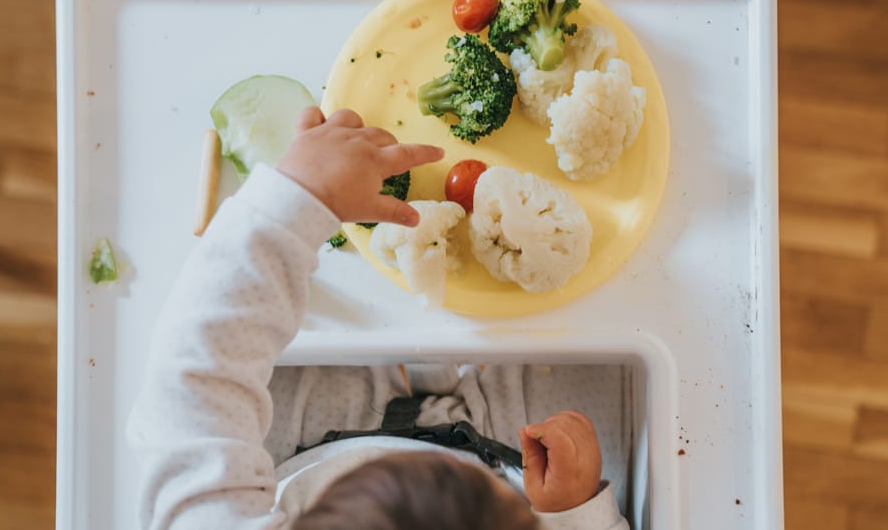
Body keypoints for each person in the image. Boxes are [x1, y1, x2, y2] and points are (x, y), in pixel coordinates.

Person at [127, 107, 633, 529]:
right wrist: (573, 512)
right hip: (511, 450)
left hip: (298, 445)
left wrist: (296, 199)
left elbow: (198, 375)